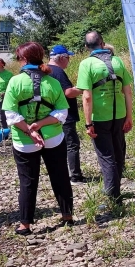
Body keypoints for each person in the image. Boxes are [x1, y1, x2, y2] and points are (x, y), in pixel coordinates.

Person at [2, 42, 73, 235]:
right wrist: (40, 125)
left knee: (27, 181)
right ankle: (67, 215)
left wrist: (30, 130)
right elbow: (62, 112)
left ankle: (25, 224)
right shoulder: (53, 82)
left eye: (18, 58)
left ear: (24, 59)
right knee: (59, 176)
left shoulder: (15, 82)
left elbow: (11, 114)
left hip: (25, 141)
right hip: (53, 137)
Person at [77, 31, 134, 203]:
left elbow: (86, 96)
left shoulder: (86, 64)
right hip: (119, 115)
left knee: (106, 156)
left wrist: (88, 123)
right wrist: (129, 116)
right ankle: (115, 189)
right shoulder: (117, 61)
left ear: (87, 47)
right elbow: (128, 91)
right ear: (102, 43)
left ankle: (112, 197)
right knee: (118, 152)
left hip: (100, 117)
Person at [47, 44, 85, 183]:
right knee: (72, 144)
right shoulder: (58, 72)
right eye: (68, 58)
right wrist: (83, 88)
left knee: (56, 145)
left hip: (50, 114)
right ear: (62, 58)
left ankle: (58, 175)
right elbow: (68, 92)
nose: (69, 61)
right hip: (65, 115)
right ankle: (75, 176)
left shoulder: (45, 70)